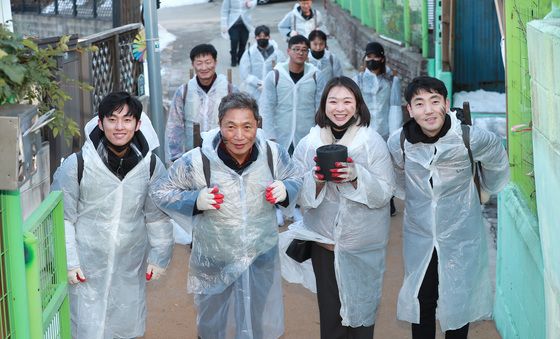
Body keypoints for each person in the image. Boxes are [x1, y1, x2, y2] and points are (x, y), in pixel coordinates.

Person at [151, 92, 302, 339]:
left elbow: (296, 176)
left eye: (247, 126)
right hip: (214, 257)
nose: (239, 136)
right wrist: (195, 200)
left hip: (259, 255)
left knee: (257, 321)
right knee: (212, 324)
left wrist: (286, 189)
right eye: (230, 127)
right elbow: (160, 190)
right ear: (220, 125)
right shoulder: (199, 160)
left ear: (258, 124)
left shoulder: (272, 155)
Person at [386, 76, 510, 339]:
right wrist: (417, 199)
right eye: (419, 103)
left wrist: (486, 189)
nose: (428, 110)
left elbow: (497, 160)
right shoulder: (399, 142)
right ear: (410, 109)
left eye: (434, 101)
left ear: (445, 103)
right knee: (422, 299)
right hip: (419, 236)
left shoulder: (469, 138)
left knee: (457, 301)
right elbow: (398, 176)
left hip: (460, 236)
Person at [51, 92, 174, 338]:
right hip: (86, 267)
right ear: (100, 122)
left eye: (127, 120)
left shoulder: (150, 166)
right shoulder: (77, 165)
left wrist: (160, 256)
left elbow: (157, 215)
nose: (119, 127)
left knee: (126, 327)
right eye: (112, 119)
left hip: (130, 264)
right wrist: (70, 261)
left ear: (138, 125)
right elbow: (64, 218)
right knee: (84, 327)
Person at [289, 76, 395, 338]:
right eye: (333, 101)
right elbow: (295, 192)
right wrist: (315, 181)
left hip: (363, 248)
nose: (340, 108)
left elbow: (385, 192)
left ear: (358, 105)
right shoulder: (309, 143)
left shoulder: (371, 142)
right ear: (323, 105)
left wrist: (357, 175)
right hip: (325, 246)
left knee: (362, 318)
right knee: (332, 320)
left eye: (347, 101)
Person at [165, 43, 234, 162]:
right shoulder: (184, 91)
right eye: (199, 63)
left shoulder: (229, 90)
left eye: (208, 62)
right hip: (193, 154)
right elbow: (175, 125)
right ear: (193, 65)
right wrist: (176, 155)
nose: (204, 68)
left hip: (224, 154)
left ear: (215, 62)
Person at [259, 34, 320, 154]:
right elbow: (267, 107)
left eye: (304, 50)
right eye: (296, 49)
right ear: (288, 51)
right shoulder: (275, 76)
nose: (300, 53)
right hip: (281, 135)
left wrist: (319, 133)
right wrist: (270, 135)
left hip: (307, 135)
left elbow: (320, 107)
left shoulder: (315, 76)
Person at [239, 25, 286, 100]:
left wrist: (269, 84)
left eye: (265, 36)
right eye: (259, 36)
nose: (262, 38)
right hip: (254, 91)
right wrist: (258, 83)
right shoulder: (249, 53)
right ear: (255, 37)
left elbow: (283, 70)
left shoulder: (277, 53)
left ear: (269, 37)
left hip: (273, 89)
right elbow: (244, 73)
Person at [221, 0, 257, 67]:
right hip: (233, 24)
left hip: (245, 23)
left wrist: (251, 4)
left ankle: (240, 58)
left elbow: (254, 1)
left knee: (243, 42)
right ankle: (233, 58)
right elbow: (224, 10)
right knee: (234, 40)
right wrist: (224, 25)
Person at [307, 29, 343, 96]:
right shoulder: (305, 60)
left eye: (321, 44)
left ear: (325, 44)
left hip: (329, 96)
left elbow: (339, 79)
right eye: (315, 44)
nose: (318, 48)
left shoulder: (332, 58)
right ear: (309, 44)